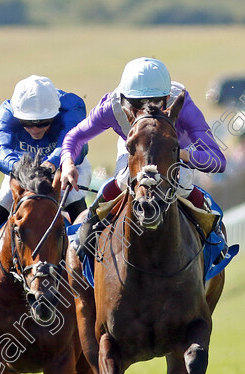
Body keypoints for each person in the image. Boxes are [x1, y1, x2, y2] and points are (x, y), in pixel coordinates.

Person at [60, 57, 228, 260]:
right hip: (134, 146)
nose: (146, 110)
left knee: (182, 182)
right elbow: (75, 137)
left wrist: (178, 154)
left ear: (167, 98)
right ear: (123, 99)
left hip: (174, 149)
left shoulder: (182, 104)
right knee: (122, 180)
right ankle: (89, 227)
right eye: (137, 103)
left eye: (155, 102)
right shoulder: (110, 106)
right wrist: (68, 162)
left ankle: (212, 232)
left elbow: (217, 160)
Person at [0, 75, 90, 285]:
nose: (35, 129)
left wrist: (53, 163)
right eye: (27, 123)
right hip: (23, 166)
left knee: (73, 195)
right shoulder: (7, 112)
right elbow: (0, 150)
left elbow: (74, 143)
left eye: (43, 123)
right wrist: (21, 169)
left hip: (67, 163)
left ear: (54, 114)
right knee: (3, 198)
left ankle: (89, 263)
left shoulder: (72, 107)